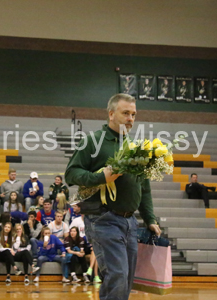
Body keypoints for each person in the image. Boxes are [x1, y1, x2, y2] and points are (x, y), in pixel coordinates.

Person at [65, 93, 161, 300]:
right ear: (111, 114)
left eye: (133, 114)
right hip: (103, 219)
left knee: (125, 279)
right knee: (117, 275)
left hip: (130, 222)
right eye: (125, 113)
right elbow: (71, 174)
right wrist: (101, 177)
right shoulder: (93, 142)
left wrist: (150, 219)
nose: (130, 118)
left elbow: (143, 187)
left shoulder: (135, 148)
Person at [69, 216, 100, 283]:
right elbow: (82, 249)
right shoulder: (84, 238)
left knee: (95, 253)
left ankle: (91, 269)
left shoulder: (97, 238)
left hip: (94, 255)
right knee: (95, 253)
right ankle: (96, 276)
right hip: (86, 255)